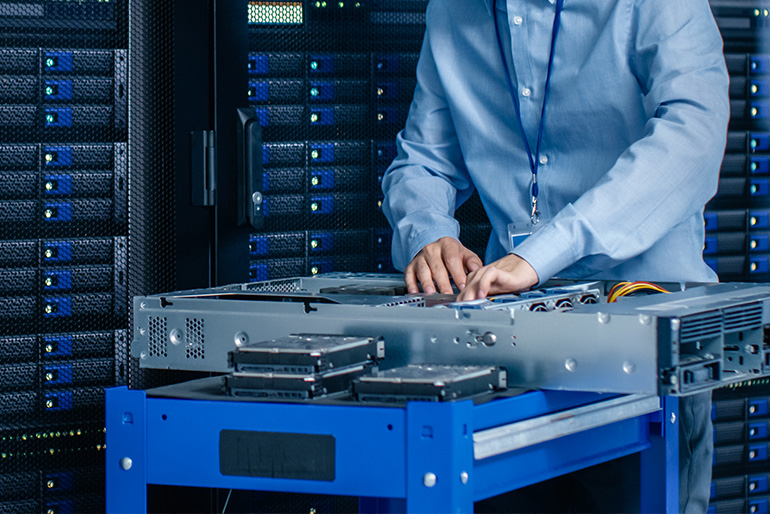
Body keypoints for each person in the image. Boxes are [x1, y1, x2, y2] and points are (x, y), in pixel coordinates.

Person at [381, 0, 730, 512]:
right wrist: (429, 235)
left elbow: (693, 137)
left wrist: (545, 252)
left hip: (645, 340)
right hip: (510, 349)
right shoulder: (453, 11)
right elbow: (424, 160)